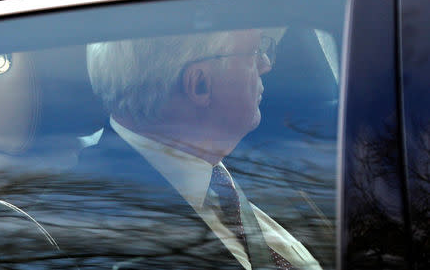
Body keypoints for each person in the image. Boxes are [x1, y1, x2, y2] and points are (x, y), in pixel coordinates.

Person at [82, 29, 322, 270]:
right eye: (253, 53)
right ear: (200, 84)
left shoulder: (237, 163)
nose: (265, 64)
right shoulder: (107, 236)